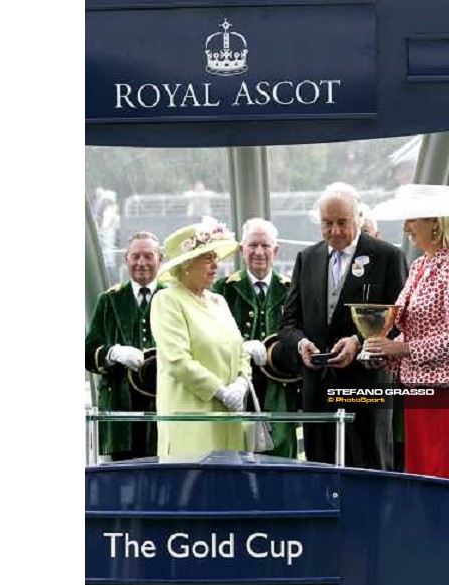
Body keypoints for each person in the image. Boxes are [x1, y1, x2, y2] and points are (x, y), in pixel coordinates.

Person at [279, 182, 408, 469]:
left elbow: (401, 324)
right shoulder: (306, 258)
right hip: (318, 393)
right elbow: (287, 324)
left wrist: (359, 343)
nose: (334, 231)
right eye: (327, 223)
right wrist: (301, 345)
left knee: (369, 475)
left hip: (366, 392)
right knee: (320, 477)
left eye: (341, 222)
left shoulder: (388, 257)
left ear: (358, 218)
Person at [364, 184, 449, 481]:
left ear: (435, 222)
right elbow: (413, 327)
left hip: (448, 389)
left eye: (412, 219)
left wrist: (401, 349)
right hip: (417, 386)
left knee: (443, 473)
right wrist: (382, 350)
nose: (405, 228)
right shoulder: (420, 264)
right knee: (422, 473)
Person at [150, 218, 251, 457]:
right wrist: (220, 391)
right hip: (191, 425)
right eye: (207, 257)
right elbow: (177, 361)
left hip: (230, 424)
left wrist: (241, 384)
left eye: (216, 257)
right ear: (186, 264)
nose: (215, 265)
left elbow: (241, 352)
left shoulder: (219, 301)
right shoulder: (167, 300)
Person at [213, 218, 302, 458]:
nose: (259, 252)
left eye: (265, 245)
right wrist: (241, 347)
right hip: (235, 392)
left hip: (280, 391)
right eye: (253, 245)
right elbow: (210, 338)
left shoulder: (292, 289)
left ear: (276, 250)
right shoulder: (222, 289)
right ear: (242, 249)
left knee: (281, 463)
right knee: (234, 462)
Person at [85, 231, 165, 460]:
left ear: (160, 259)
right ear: (126, 259)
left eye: (148, 256)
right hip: (120, 412)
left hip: (162, 410)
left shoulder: (172, 298)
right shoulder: (109, 300)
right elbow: (87, 353)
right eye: (136, 256)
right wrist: (112, 353)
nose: (142, 263)